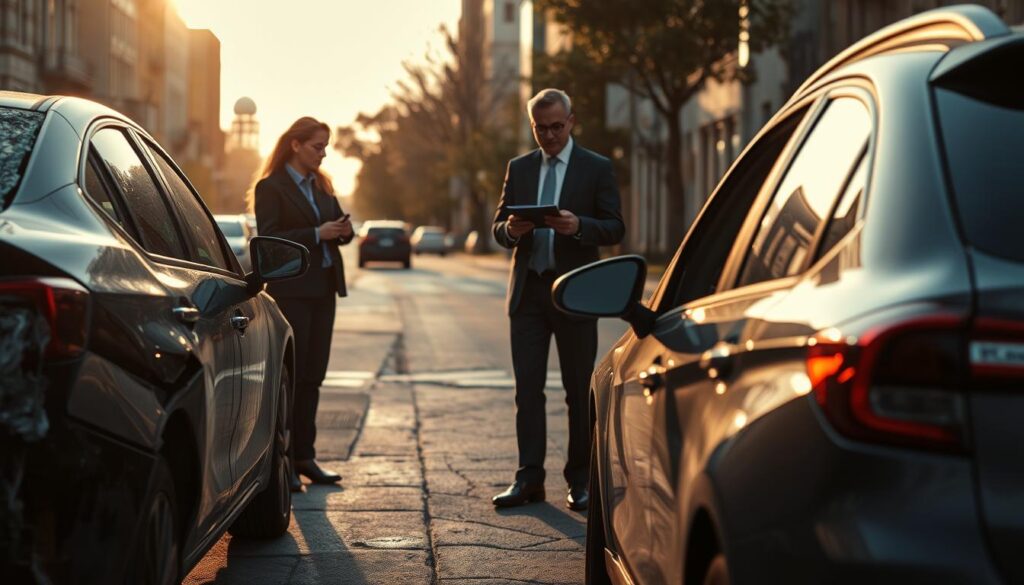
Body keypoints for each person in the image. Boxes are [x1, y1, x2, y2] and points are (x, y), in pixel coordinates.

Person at [491, 89, 625, 510]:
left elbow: (615, 227)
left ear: (571, 122)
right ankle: (528, 478)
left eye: (555, 126)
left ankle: (581, 478)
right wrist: (511, 231)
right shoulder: (519, 166)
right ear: (532, 125)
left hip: (575, 293)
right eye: (540, 128)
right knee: (527, 390)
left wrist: (578, 225)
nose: (548, 135)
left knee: (575, 390)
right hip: (528, 293)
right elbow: (498, 226)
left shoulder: (596, 168)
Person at [254, 117, 353, 491]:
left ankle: (305, 457)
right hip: (293, 291)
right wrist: (316, 233)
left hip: (324, 291)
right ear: (295, 145)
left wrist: (342, 230)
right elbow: (270, 236)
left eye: (326, 147)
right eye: (317, 146)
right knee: (292, 380)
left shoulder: (321, 185)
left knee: (314, 376)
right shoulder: (271, 187)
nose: (323, 153)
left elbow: (340, 231)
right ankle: (286, 462)